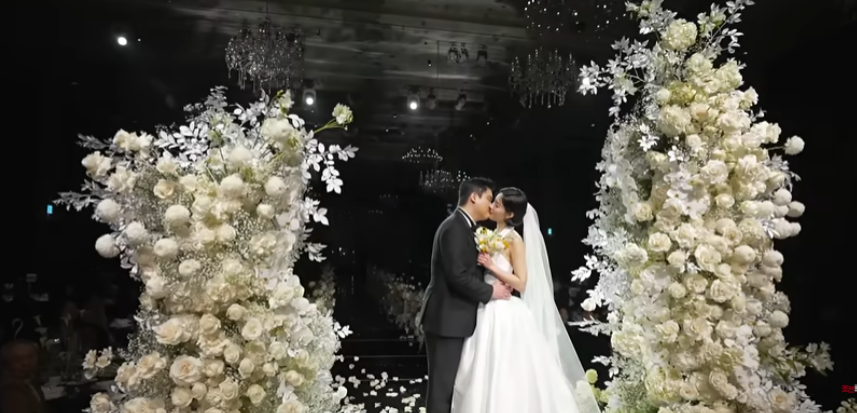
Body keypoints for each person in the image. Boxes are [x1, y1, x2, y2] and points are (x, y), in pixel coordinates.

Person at [451, 187, 601, 413]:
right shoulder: (491, 235)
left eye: (497, 205)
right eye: (493, 202)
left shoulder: (514, 240)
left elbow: (521, 282)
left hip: (503, 309)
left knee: (504, 367)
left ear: (510, 214)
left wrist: (492, 267)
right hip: (487, 304)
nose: (491, 207)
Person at [418, 178, 513, 413]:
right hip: (447, 320)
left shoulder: (464, 227)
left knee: (451, 389)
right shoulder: (454, 228)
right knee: (442, 391)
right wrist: (491, 291)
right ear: (473, 197)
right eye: (488, 199)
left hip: (455, 319)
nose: (490, 205)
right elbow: (457, 276)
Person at [0, 340, 46, 413]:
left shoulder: (30, 382)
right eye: (18, 359)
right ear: (7, 363)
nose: (26, 363)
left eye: (30, 357)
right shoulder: (11, 392)